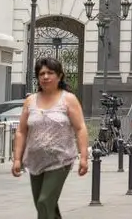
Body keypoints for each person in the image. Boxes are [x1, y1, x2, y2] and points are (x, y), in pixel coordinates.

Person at [11, 57, 89, 219]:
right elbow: (21, 131)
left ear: (59, 76)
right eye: (41, 74)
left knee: (44, 202)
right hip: (35, 161)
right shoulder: (30, 101)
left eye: (50, 73)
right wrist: (17, 159)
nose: (45, 77)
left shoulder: (68, 99)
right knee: (47, 207)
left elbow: (80, 128)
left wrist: (84, 157)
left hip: (60, 159)